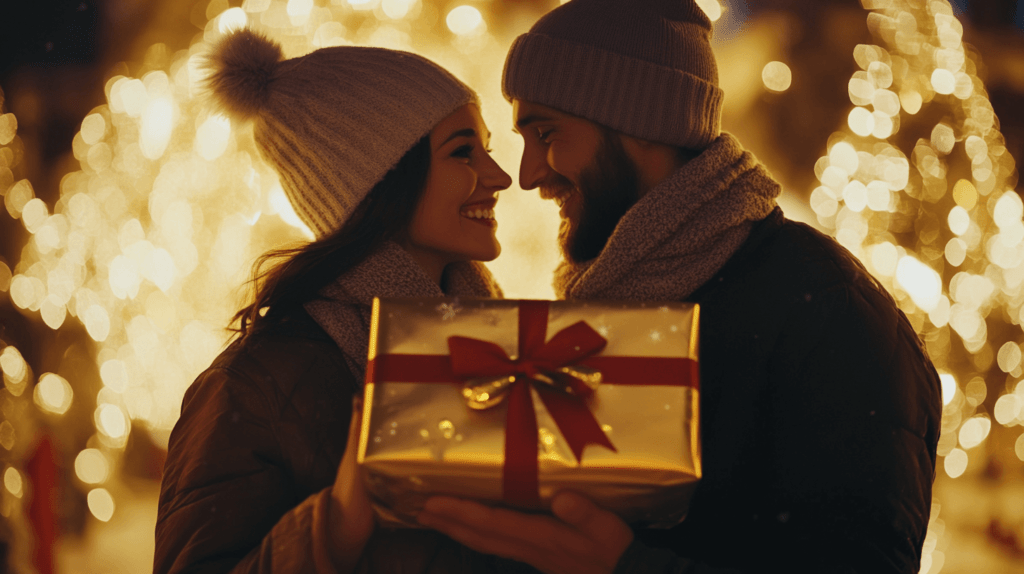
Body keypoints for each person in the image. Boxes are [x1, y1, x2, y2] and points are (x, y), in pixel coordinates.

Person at [414, 1, 943, 573]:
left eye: (546, 133)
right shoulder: (599, 314)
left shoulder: (831, 315)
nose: (528, 175)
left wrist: (626, 567)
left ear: (641, 123)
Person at [153, 28, 520, 573]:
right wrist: (336, 525)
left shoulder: (507, 349)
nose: (500, 176)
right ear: (377, 181)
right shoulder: (253, 385)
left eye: (486, 149)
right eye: (463, 152)